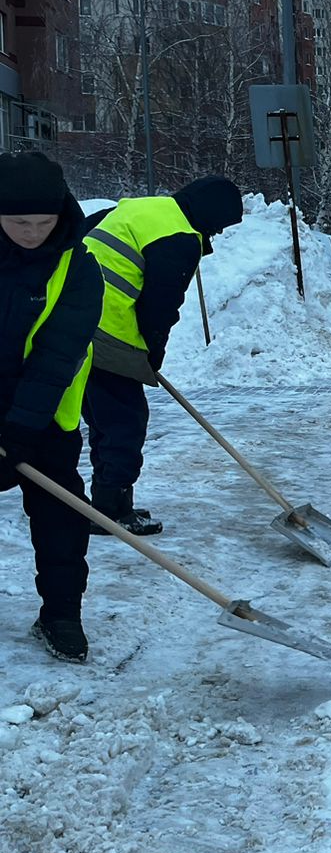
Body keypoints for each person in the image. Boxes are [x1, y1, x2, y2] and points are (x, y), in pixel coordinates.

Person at [81, 175, 244, 535]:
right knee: (125, 423)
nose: (215, 235)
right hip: (107, 331)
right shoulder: (179, 239)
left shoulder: (143, 208)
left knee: (105, 421)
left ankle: (110, 502)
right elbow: (160, 308)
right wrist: (151, 355)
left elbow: (81, 233)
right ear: (209, 215)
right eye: (218, 227)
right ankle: (109, 511)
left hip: (73, 325)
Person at [0, 153, 102, 662]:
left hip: (45, 418)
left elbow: (58, 354)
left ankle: (61, 614)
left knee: (61, 515)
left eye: (44, 222)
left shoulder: (78, 267)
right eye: (19, 221)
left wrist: (19, 428)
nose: (32, 233)